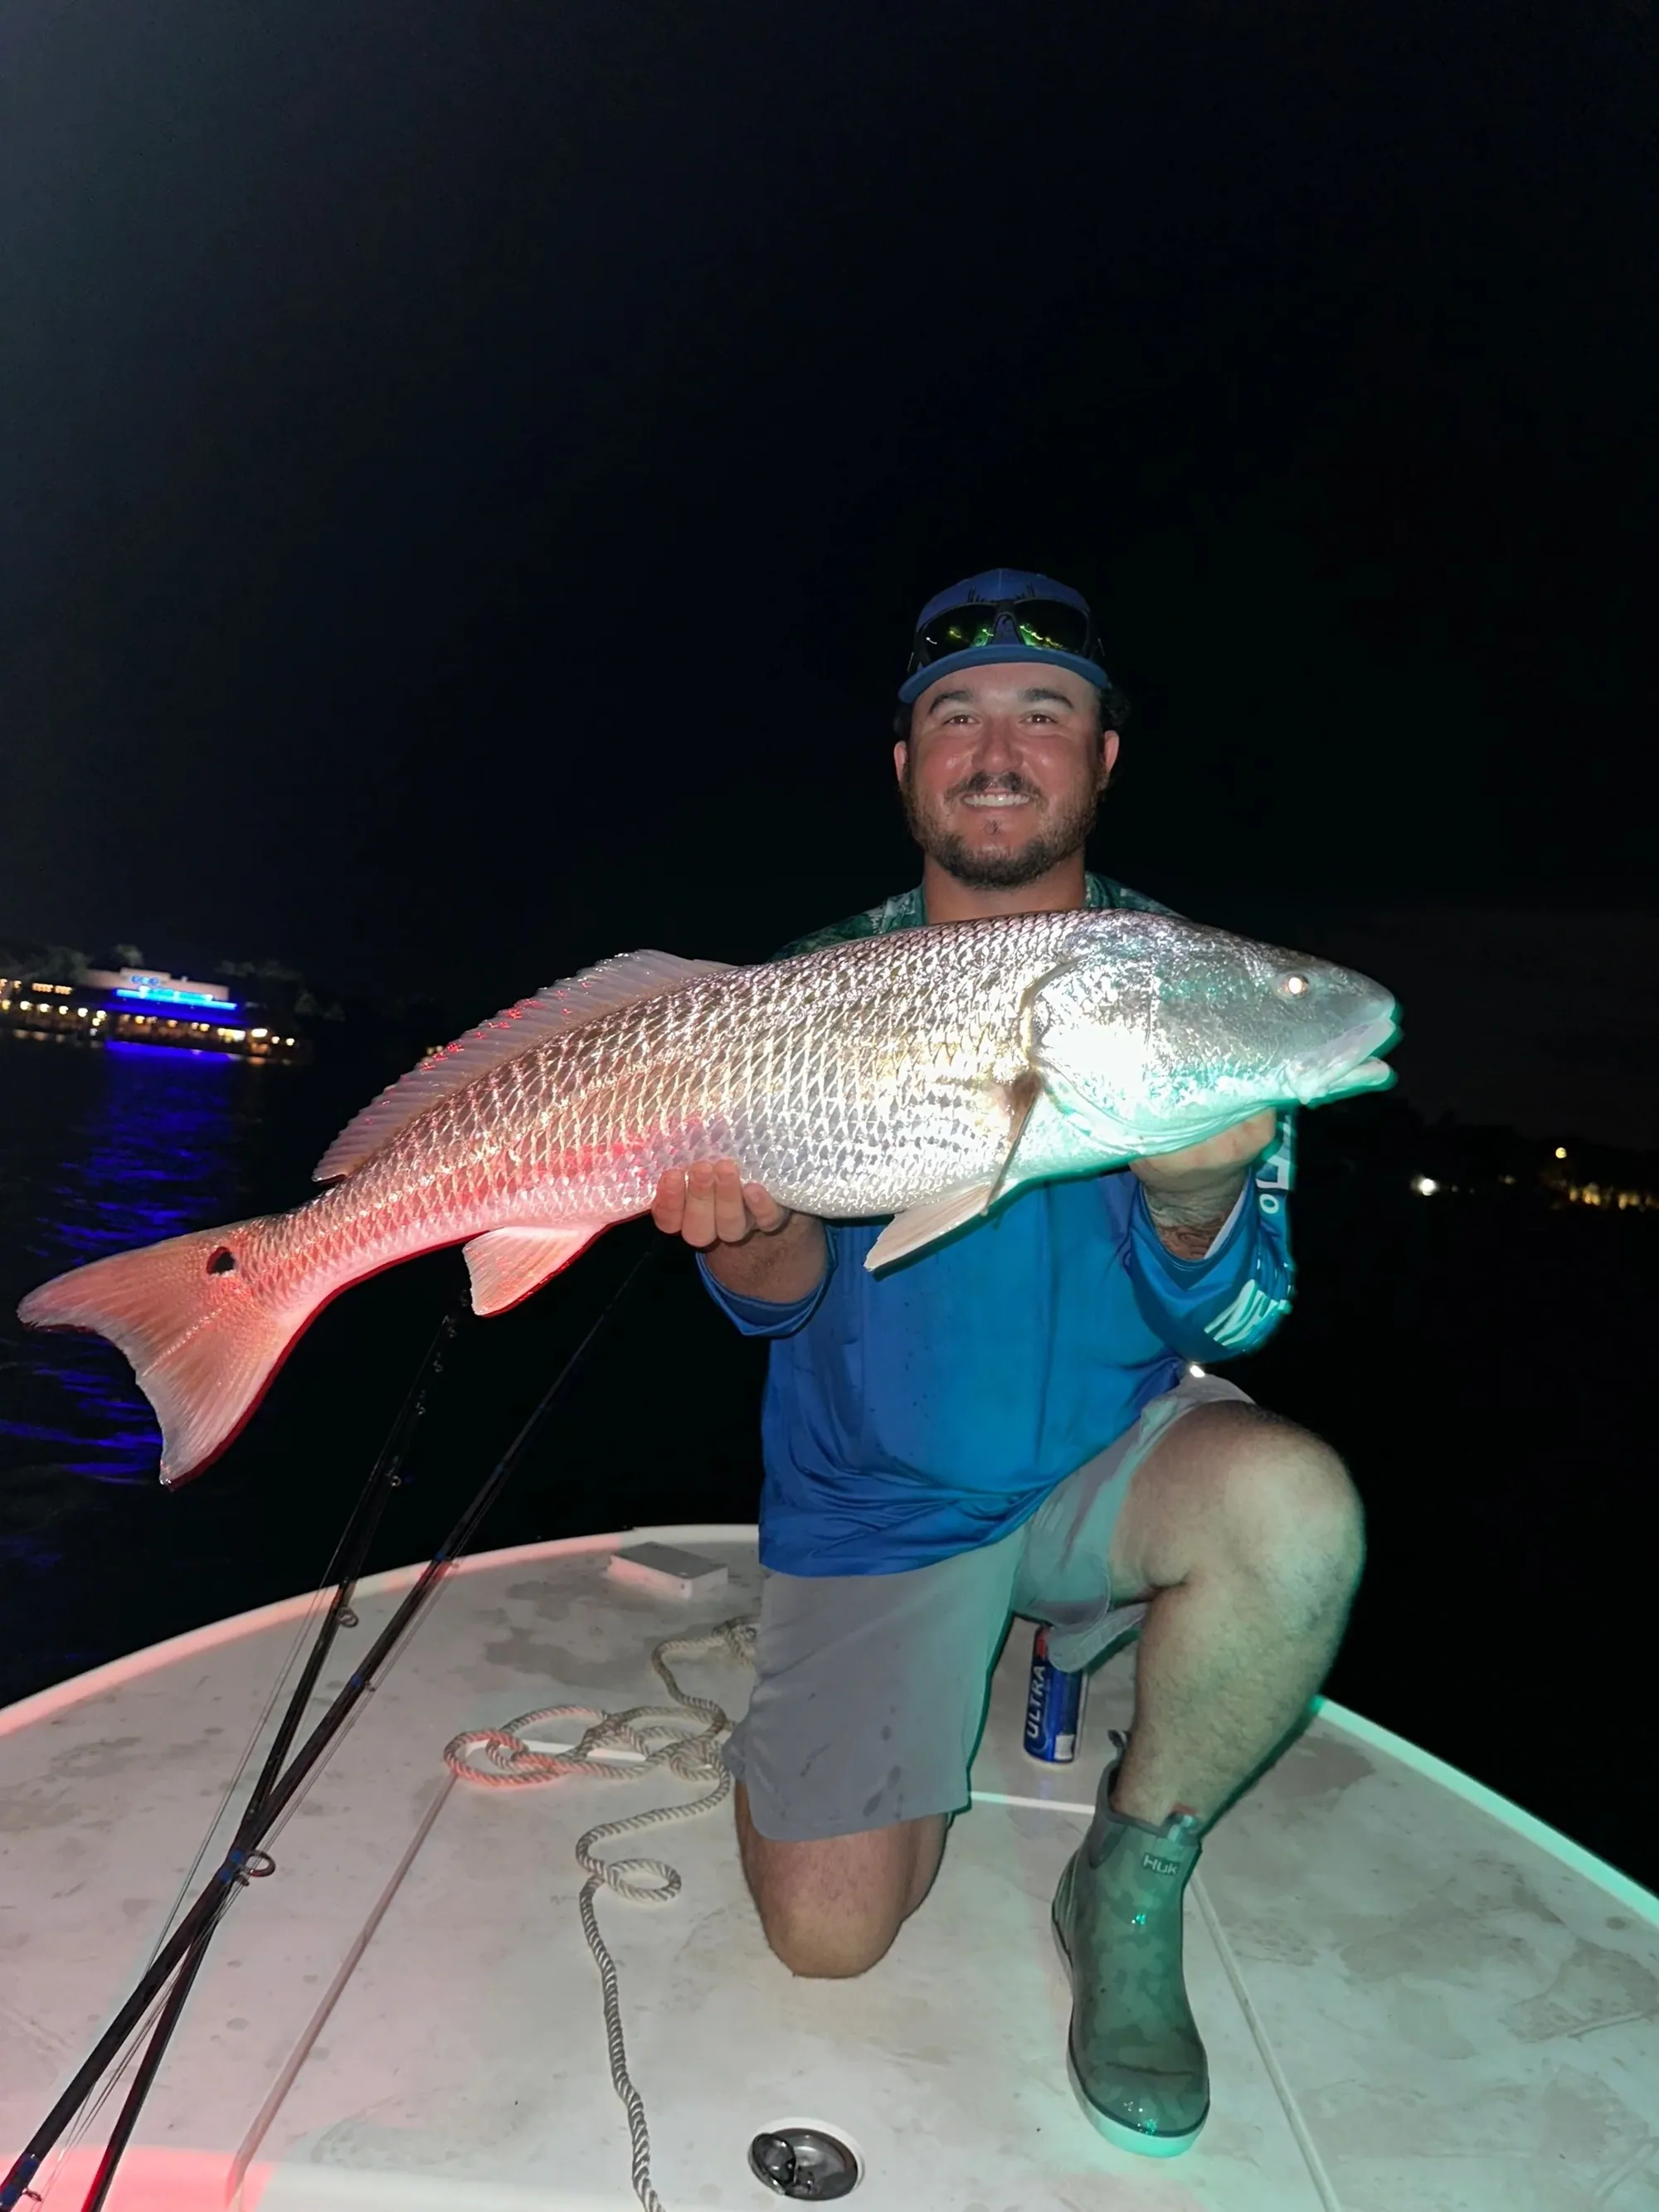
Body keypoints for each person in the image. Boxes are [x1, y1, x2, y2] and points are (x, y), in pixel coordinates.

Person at [649, 569, 1364, 2159]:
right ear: (903, 766)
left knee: (1295, 1506)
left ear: (1103, 759)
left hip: (1109, 1459)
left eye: (1043, 714)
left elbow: (1243, 1324)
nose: (996, 749)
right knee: (828, 1940)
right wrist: (735, 1232)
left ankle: (1130, 1870)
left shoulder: (1187, 984)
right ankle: (910, 1675)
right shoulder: (806, 988)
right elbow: (776, 1301)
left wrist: (1194, 1204)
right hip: (882, 1503)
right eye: (953, 718)